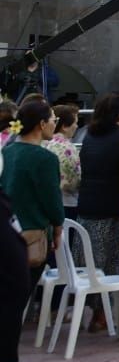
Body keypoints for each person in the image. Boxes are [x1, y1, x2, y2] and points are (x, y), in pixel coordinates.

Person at [2, 99, 66, 294]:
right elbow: (52, 200)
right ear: (42, 124)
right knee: (17, 299)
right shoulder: (45, 158)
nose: (55, 124)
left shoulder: (6, 151)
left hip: (7, 230)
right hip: (32, 235)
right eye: (53, 119)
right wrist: (57, 228)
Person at [2, 136, 47, 362]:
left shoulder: (9, 151)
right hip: (21, 227)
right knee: (14, 291)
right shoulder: (41, 156)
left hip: (12, 219)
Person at [76, 94, 119, 291]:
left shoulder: (89, 136)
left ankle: (93, 307)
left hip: (88, 203)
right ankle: (101, 310)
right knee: (112, 260)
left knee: (89, 261)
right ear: (118, 114)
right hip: (112, 206)